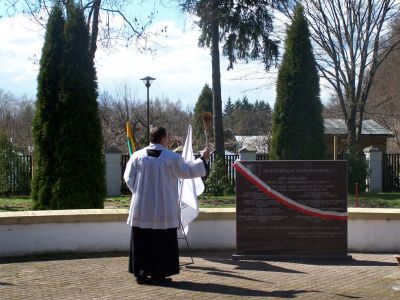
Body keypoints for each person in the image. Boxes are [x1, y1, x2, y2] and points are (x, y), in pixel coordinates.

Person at [124, 126, 210, 285]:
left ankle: (141, 273)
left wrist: (140, 193)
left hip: (142, 208)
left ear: (151, 138)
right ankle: (159, 274)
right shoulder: (170, 157)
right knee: (162, 242)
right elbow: (188, 171)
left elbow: (128, 178)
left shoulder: (137, 156)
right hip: (164, 209)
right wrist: (203, 159)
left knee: (142, 241)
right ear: (163, 138)